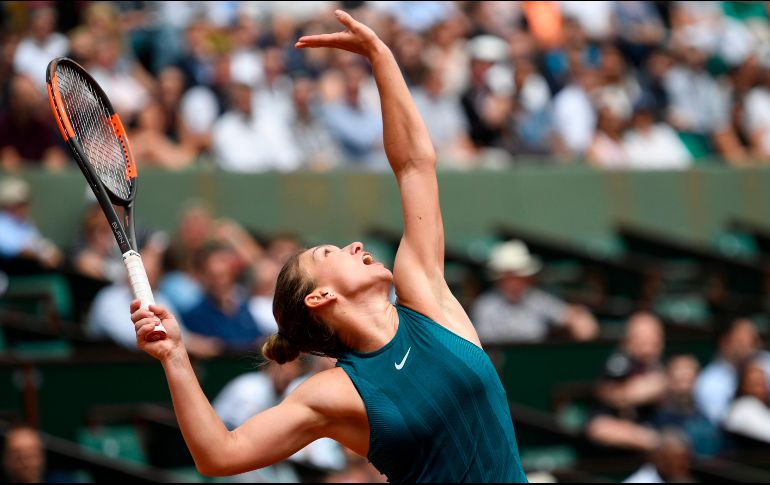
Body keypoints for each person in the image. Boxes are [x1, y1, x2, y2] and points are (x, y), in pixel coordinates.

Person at [130, 10, 527, 483]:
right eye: (329, 252)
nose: (353, 245)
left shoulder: (425, 296)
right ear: (320, 297)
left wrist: (381, 58)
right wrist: (175, 356)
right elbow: (220, 454)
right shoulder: (333, 395)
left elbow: (416, 165)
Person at [472, 239, 598, 343]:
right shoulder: (484, 306)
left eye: (518, 274)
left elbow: (574, 319)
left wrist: (580, 320)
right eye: (508, 275)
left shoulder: (538, 300)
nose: (514, 281)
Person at [586, 312, 667, 451]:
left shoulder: (664, 364)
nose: (648, 347)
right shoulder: (618, 361)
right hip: (620, 432)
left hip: (655, 428)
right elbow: (614, 395)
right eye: (641, 339)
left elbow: (662, 386)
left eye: (653, 340)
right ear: (628, 340)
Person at [694, 317, 770, 424]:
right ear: (725, 342)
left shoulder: (765, 361)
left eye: (753, 340)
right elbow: (721, 422)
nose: (749, 346)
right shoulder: (709, 380)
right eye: (741, 340)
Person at [723, 359, 770, 443]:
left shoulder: (762, 407)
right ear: (744, 386)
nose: (762, 389)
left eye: (763, 384)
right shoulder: (741, 408)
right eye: (756, 384)